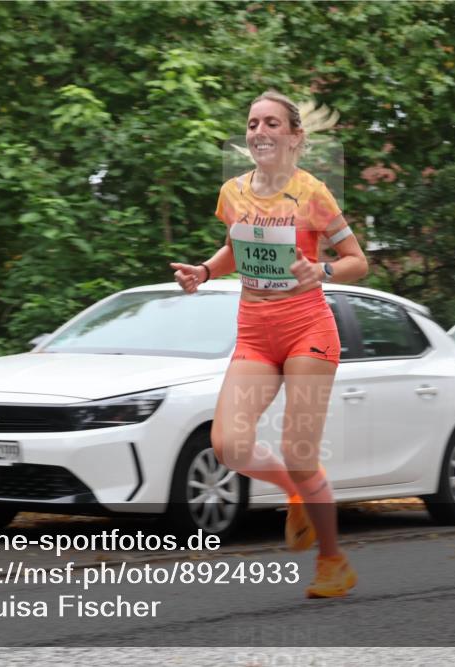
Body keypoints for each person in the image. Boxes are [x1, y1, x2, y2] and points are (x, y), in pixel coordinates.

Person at [170, 91, 368, 598]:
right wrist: (206, 270)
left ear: (294, 137)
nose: (259, 131)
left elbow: (355, 260)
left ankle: (332, 562)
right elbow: (238, 246)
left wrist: (319, 269)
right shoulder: (232, 191)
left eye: (272, 123)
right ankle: (295, 493)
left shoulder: (313, 193)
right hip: (255, 332)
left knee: (300, 453)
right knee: (228, 445)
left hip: (308, 329)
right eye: (253, 122)